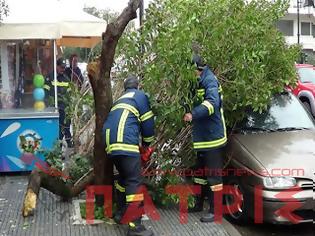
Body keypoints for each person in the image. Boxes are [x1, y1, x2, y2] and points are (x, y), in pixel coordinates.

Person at [102, 75, 155, 236]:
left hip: (110, 144)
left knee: (124, 179)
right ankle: (135, 226)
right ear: (138, 86)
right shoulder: (140, 96)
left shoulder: (120, 99)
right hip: (124, 141)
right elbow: (148, 123)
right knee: (134, 182)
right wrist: (146, 145)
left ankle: (121, 213)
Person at [184, 55, 227, 223]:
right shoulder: (197, 80)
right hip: (202, 136)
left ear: (198, 69)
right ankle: (198, 203)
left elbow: (212, 104)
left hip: (213, 137)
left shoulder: (210, 81)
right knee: (199, 172)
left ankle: (216, 212)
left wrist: (192, 114)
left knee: (214, 176)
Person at [45, 57, 73, 148]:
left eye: (64, 67)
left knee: (66, 125)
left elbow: (70, 94)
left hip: (64, 108)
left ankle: (68, 142)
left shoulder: (66, 78)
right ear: (56, 66)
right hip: (54, 109)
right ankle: (58, 147)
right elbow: (45, 93)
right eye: (61, 67)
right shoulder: (50, 77)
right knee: (57, 129)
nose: (63, 69)